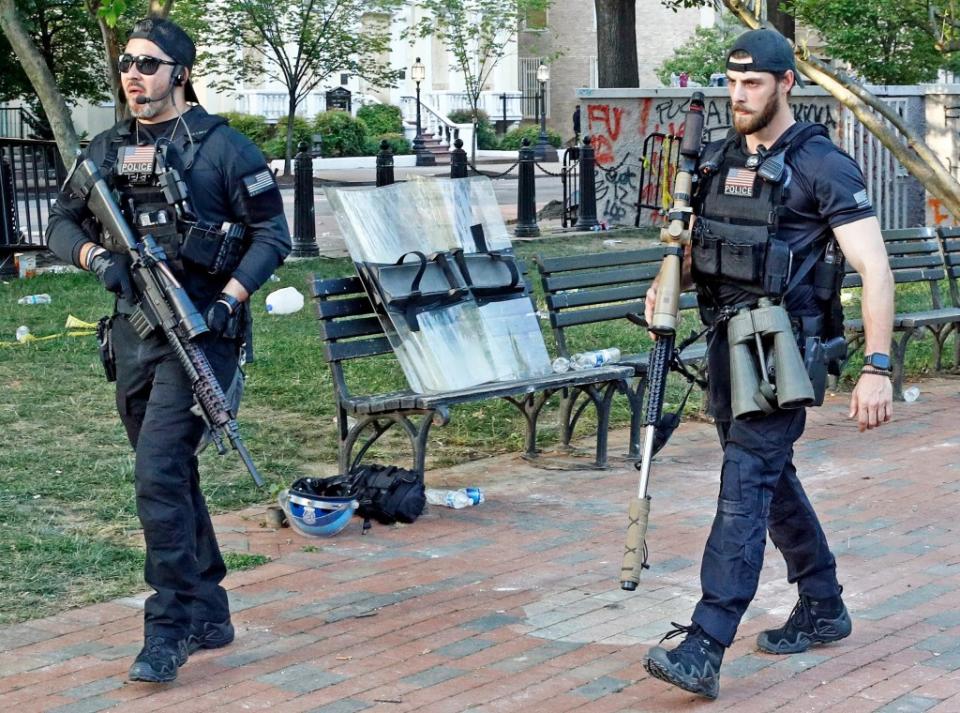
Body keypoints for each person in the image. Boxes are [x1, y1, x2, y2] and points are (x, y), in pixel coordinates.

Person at [641, 29, 894, 700]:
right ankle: (823, 600)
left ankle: (705, 640)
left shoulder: (822, 164)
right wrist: (669, 278)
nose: (738, 95)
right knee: (767, 475)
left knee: (745, 480)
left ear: (785, 84)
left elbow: (875, 267)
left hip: (785, 348)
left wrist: (878, 365)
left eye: (752, 83)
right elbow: (698, 248)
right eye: (731, 83)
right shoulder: (718, 160)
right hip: (728, 343)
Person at [46, 17, 291, 683]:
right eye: (127, 62)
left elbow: (273, 234)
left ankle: (170, 625)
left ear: (180, 72)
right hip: (133, 335)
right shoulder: (106, 148)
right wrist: (98, 257)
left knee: (157, 473)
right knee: (171, 475)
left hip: (200, 335)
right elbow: (60, 222)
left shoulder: (224, 149)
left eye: (150, 64)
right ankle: (209, 608)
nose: (134, 74)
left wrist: (230, 298)